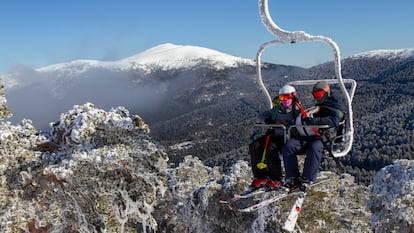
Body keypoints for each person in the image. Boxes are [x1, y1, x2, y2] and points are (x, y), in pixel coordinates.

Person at [282, 81, 343, 192]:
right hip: (309, 135)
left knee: (315, 148)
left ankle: (307, 179)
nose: (317, 98)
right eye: (315, 96)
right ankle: (292, 177)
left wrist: (313, 121)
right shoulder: (319, 106)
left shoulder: (335, 105)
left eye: (319, 95)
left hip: (323, 137)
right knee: (289, 145)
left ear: (327, 92)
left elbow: (334, 120)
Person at [248, 85, 301, 189]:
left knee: (271, 147)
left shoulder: (297, 110)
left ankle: (275, 178)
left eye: (287, 97)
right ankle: (260, 176)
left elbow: (302, 121)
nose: (284, 100)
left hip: (289, 137)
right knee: (255, 145)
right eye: (282, 98)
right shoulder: (277, 109)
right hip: (275, 134)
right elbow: (263, 115)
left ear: (293, 97)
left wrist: (287, 124)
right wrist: (267, 120)